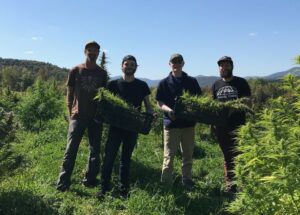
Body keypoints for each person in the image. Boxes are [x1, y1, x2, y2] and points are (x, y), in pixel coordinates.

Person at [98, 55, 154, 199]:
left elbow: (148, 106)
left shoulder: (142, 86)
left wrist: (150, 116)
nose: (129, 66)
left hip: (132, 128)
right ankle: (103, 188)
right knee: (109, 158)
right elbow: (104, 104)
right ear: (122, 66)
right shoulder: (113, 85)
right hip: (115, 128)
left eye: (132, 64)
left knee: (125, 160)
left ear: (136, 67)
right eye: (126, 64)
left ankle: (123, 190)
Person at [56, 41, 108, 192]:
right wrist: (70, 113)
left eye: (95, 51)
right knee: (70, 150)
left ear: (98, 53)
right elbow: (69, 93)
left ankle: (90, 180)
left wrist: (102, 114)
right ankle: (63, 183)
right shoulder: (76, 70)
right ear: (85, 51)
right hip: (77, 116)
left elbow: (104, 96)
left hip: (95, 118)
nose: (92, 53)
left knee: (95, 151)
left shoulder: (101, 73)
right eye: (90, 50)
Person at [155, 53, 202, 189]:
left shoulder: (191, 81)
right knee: (169, 156)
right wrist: (168, 110)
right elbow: (159, 101)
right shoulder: (164, 82)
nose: (176, 64)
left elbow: (198, 100)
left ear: (183, 63)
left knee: (188, 154)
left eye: (178, 62)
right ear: (169, 64)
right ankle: (166, 182)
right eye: (173, 62)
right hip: (171, 124)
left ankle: (187, 180)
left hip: (188, 125)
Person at [211, 56, 251, 193]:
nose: (223, 68)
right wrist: (212, 125)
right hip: (221, 127)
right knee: (227, 156)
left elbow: (246, 102)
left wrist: (230, 109)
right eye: (221, 66)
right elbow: (213, 106)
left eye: (226, 65)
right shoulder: (216, 85)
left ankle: (245, 184)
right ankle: (231, 186)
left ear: (231, 67)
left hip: (238, 126)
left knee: (241, 155)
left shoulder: (241, 83)